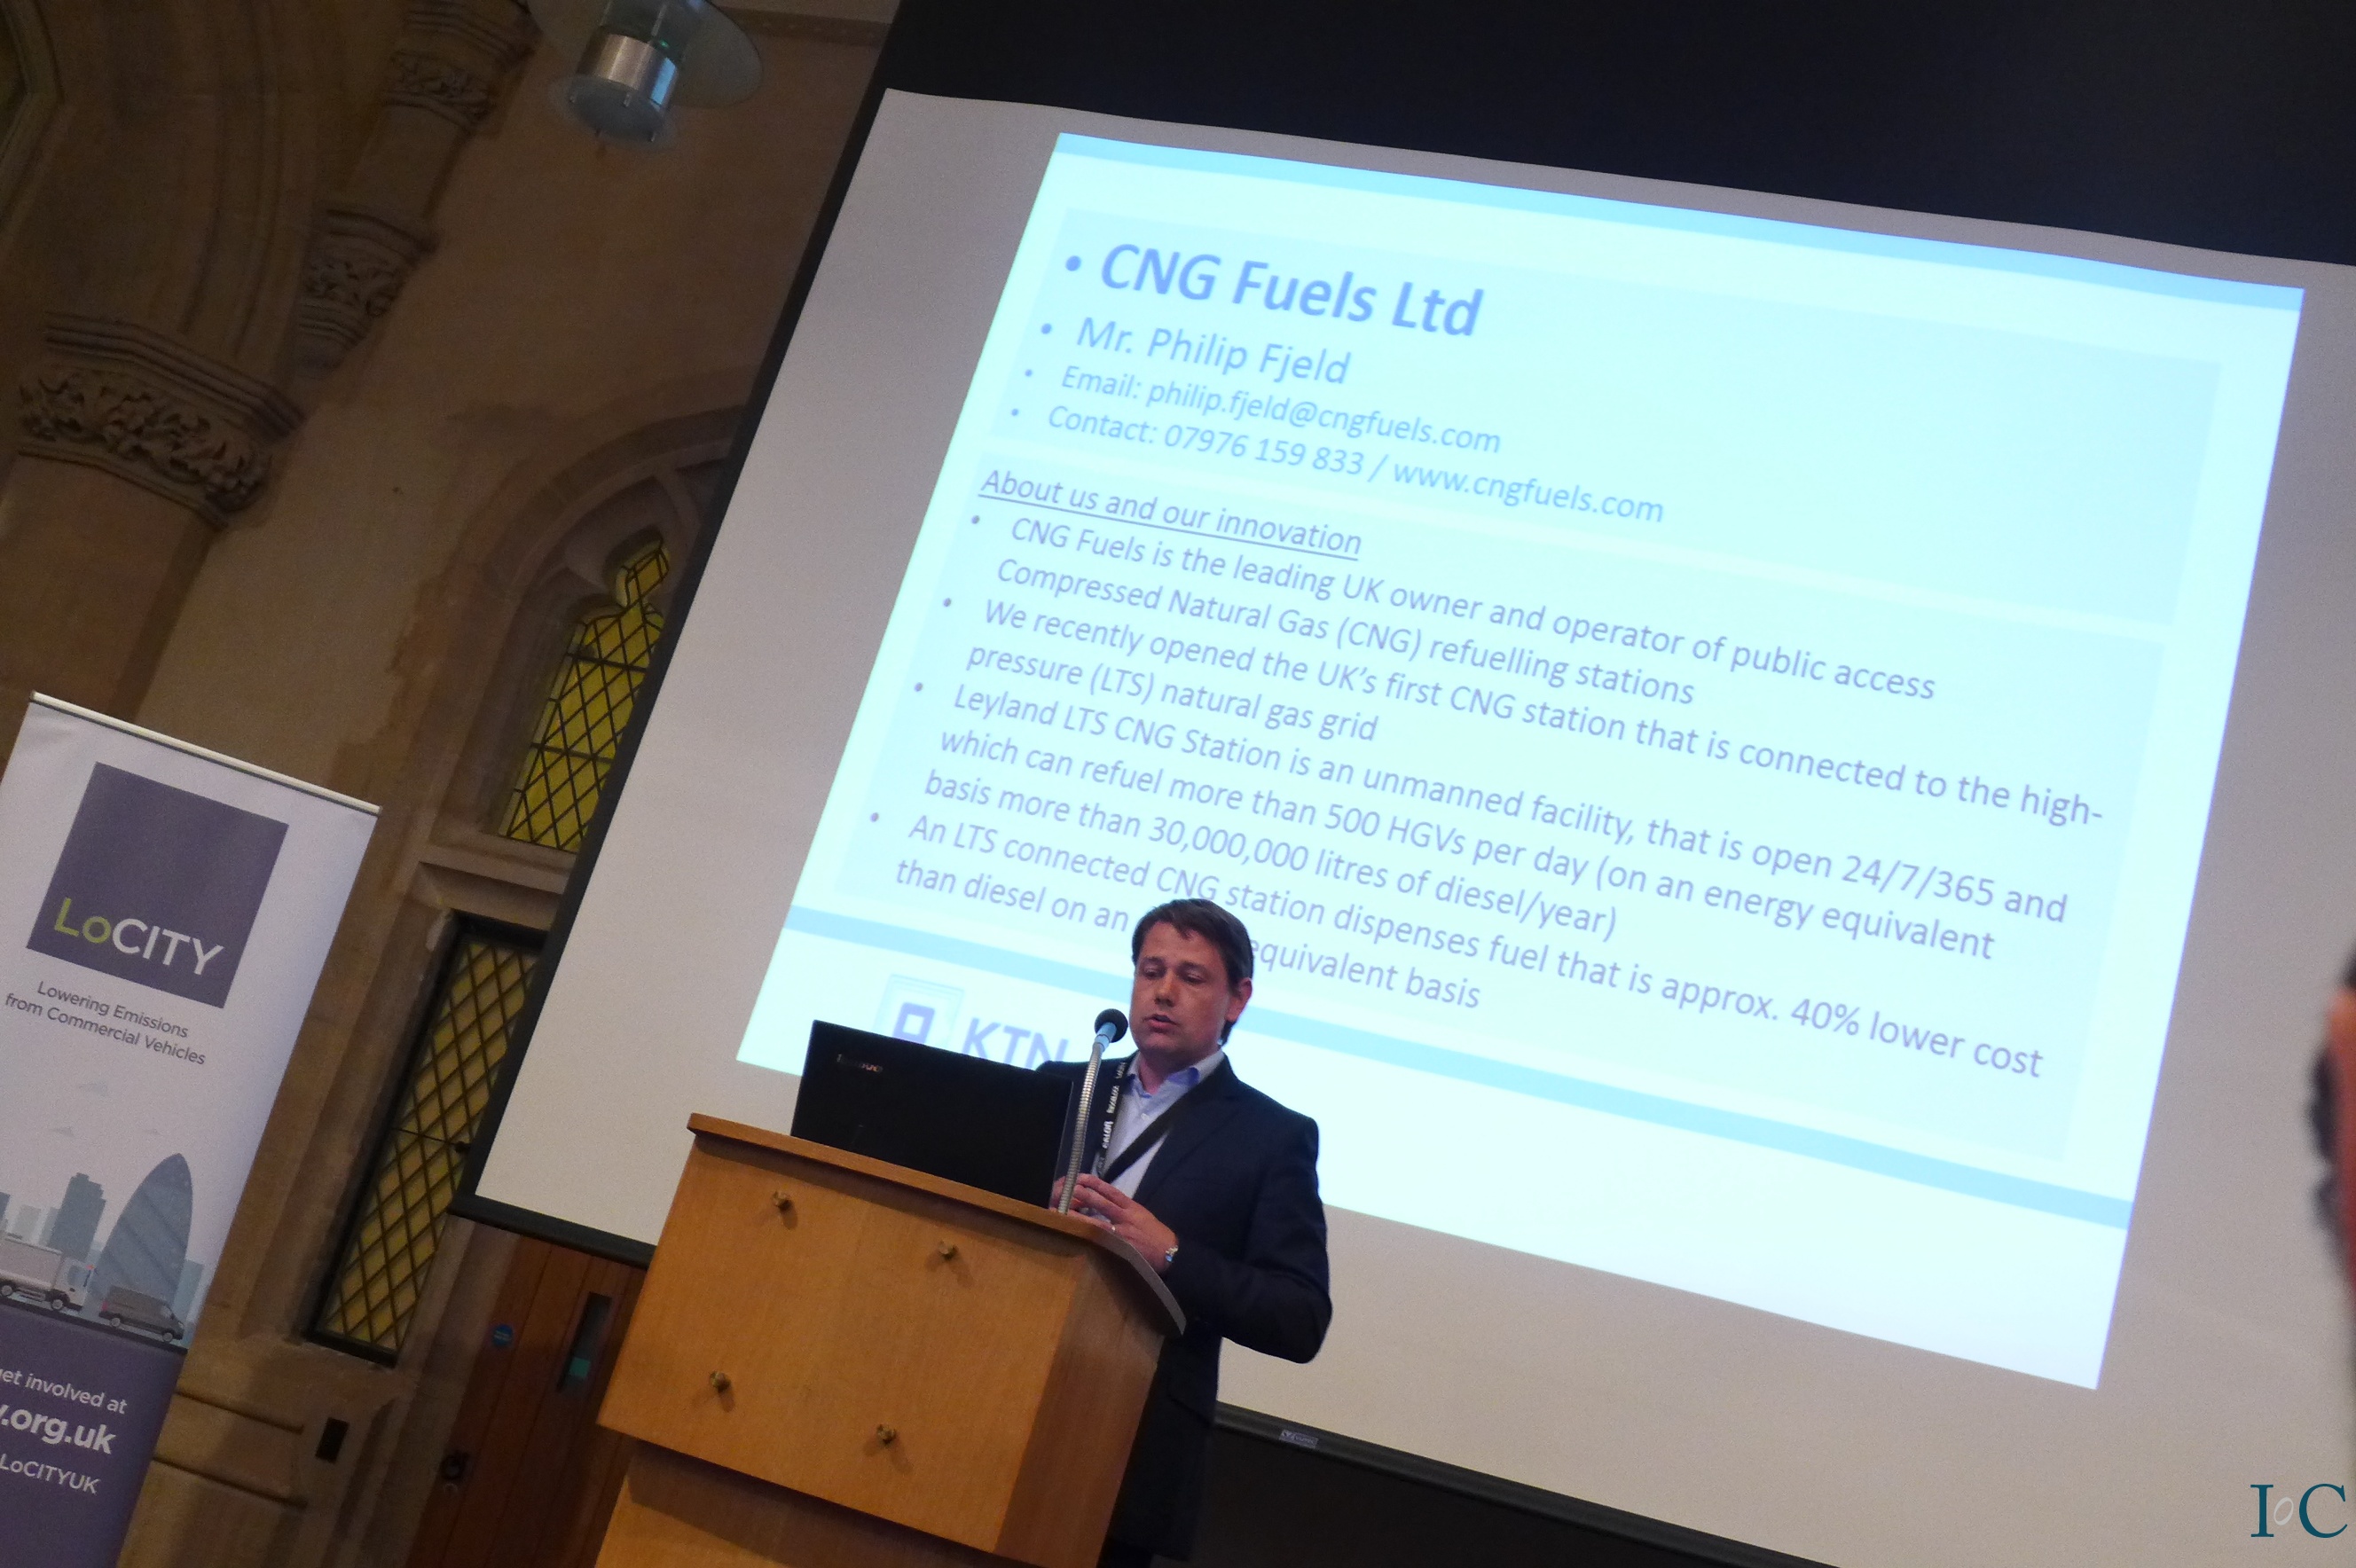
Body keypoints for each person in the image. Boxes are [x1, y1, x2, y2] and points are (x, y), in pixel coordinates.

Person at [1044, 898, 1331, 1567]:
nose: (1164, 992)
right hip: (997, 1397)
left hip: (1130, 1446)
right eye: (1151, 971)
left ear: (1238, 999)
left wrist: (1170, 1253)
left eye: (1191, 977)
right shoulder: (1063, 1090)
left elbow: (1299, 1317)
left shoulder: (1271, 1137)